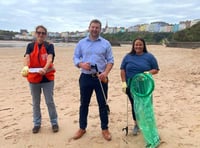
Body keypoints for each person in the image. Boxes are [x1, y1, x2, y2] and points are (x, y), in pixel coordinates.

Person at [73, 19, 114, 141]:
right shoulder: (81, 43)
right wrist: (81, 64)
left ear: (100, 29)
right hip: (85, 77)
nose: (95, 29)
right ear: (89, 28)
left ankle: (105, 129)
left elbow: (110, 61)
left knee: (102, 104)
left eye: (97, 27)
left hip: (100, 78)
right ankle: (82, 128)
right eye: (93, 27)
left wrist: (105, 73)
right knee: (84, 104)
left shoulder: (106, 43)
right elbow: (75, 57)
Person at [21, 25, 59, 134]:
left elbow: (50, 58)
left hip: (47, 77)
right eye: (38, 32)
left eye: (43, 33)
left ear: (45, 35)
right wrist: (25, 67)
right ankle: (37, 123)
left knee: (49, 101)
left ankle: (54, 122)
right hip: (33, 78)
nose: (40, 35)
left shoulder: (49, 46)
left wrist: (45, 68)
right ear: (35, 33)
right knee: (36, 102)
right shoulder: (30, 46)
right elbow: (27, 57)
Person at [120, 37, 159, 135]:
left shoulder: (149, 56)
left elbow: (156, 69)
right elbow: (122, 70)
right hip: (131, 85)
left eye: (140, 44)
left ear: (143, 45)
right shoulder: (127, 56)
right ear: (133, 46)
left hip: (145, 86)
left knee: (146, 105)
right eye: (136, 44)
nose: (138, 46)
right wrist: (123, 83)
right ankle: (136, 124)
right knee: (135, 105)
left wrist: (147, 73)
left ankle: (148, 125)